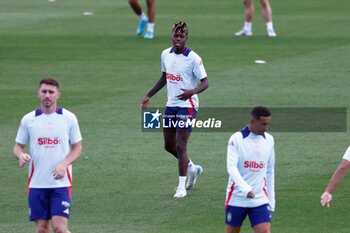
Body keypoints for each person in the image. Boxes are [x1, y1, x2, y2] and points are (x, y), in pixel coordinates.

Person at [140, 21, 209, 198]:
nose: (178, 39)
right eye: (176, 36)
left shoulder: (193, 58)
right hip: (171, 105)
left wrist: (192, 92)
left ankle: (181, 187)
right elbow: (164, 77)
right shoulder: (165, 54)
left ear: (186, 38)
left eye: (182, 36)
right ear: (172, 36)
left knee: (180, 145)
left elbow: (205, 82)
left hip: (188, 106)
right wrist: (149, 95)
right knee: (168, 146)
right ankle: (192, 168)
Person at [13, 78, 82, 233]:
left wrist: (64, 163)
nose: (47, 95)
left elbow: (77, 148)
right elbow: (18, 146)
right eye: (44, 91)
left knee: (60, 229)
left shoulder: (69, 118)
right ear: (38, 94)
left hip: (61, 184)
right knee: (42, 230)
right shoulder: (28, 120)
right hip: (37, 184)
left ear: (58, 95)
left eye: (51, 92)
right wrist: (20, 155)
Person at [225, 106, 275, 233]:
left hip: (260, 198)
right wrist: (245, 188)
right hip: (236, 197)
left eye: (268, 124)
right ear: (252, 121)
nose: (266, 128)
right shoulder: (236, 139)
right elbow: (231, 167)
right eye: (263, 124)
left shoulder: (269, 140)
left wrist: (271, 199)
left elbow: (270, 170)